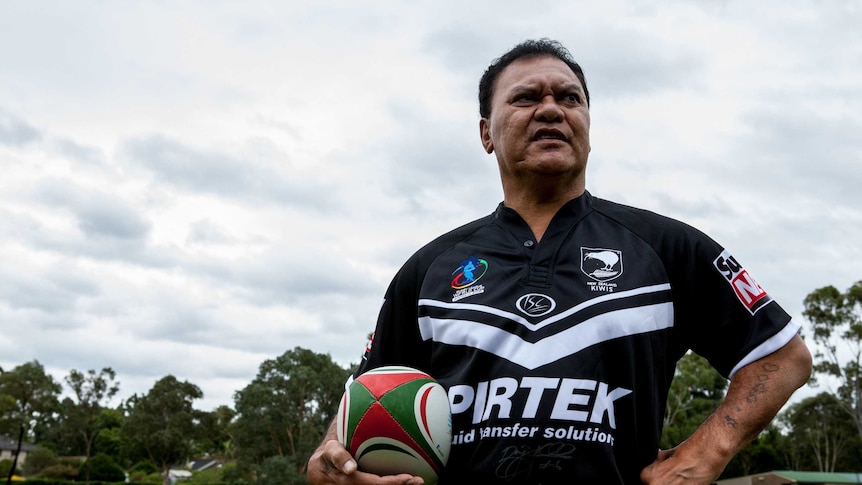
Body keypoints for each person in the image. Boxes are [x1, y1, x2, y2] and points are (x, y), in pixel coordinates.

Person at [307, 38, 812, 484]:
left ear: (588, 127)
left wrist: (705, 455)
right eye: (526, 97)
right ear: (486, 133)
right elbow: (366, 391)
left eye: (569, 98)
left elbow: (782, 356)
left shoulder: (665, 247)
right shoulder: (430, 268)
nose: (551, 109)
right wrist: (331, 457)